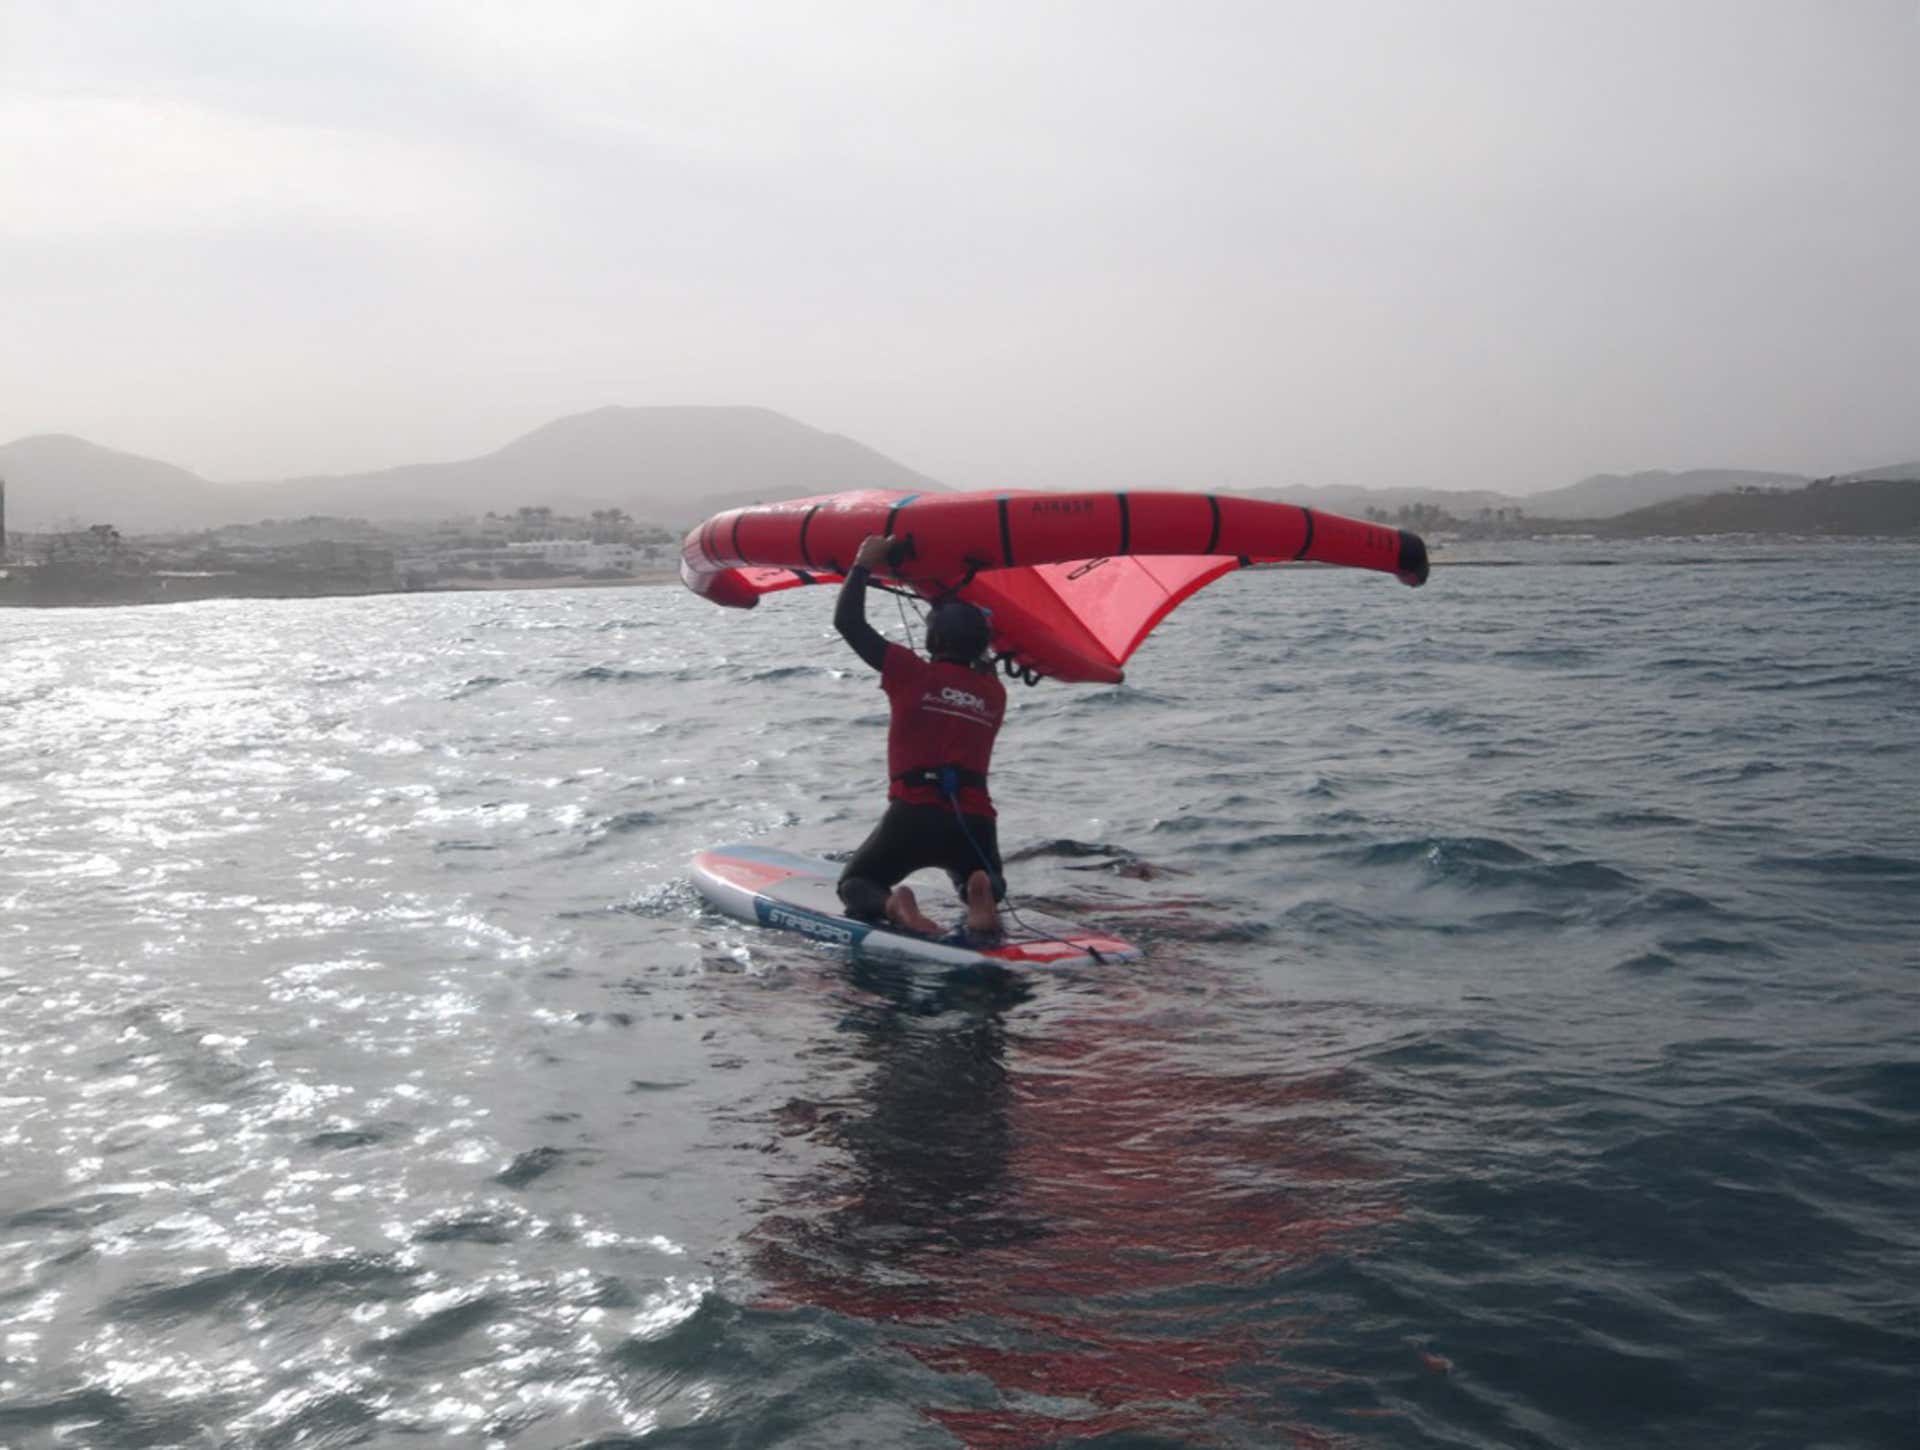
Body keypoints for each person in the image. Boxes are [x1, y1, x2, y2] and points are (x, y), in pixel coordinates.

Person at [834, 533, 1007, 941]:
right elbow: (981, 653)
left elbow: (848, 623)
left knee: (857, 883)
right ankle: (980, 896)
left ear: (934, 640)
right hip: (974, 816)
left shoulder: (911, 672)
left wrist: (862, 563)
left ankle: (893, 905)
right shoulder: (993, 692)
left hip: (914, 812)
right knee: (984, 873)